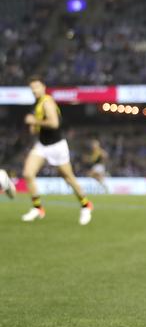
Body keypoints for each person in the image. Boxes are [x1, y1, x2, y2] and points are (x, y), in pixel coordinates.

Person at [21, 75, 93, 225]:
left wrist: (34, 121)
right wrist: (34, 127)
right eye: (32, 88)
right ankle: (37, 208)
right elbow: (38, 128)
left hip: (56, 146)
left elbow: (54, 123)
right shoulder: (37, 103)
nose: (34, 90)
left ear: (43, 87)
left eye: (36, 87)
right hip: (42, 145)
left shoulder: (47, 101)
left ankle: (86, 205)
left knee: (68, 177)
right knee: (28, 174)